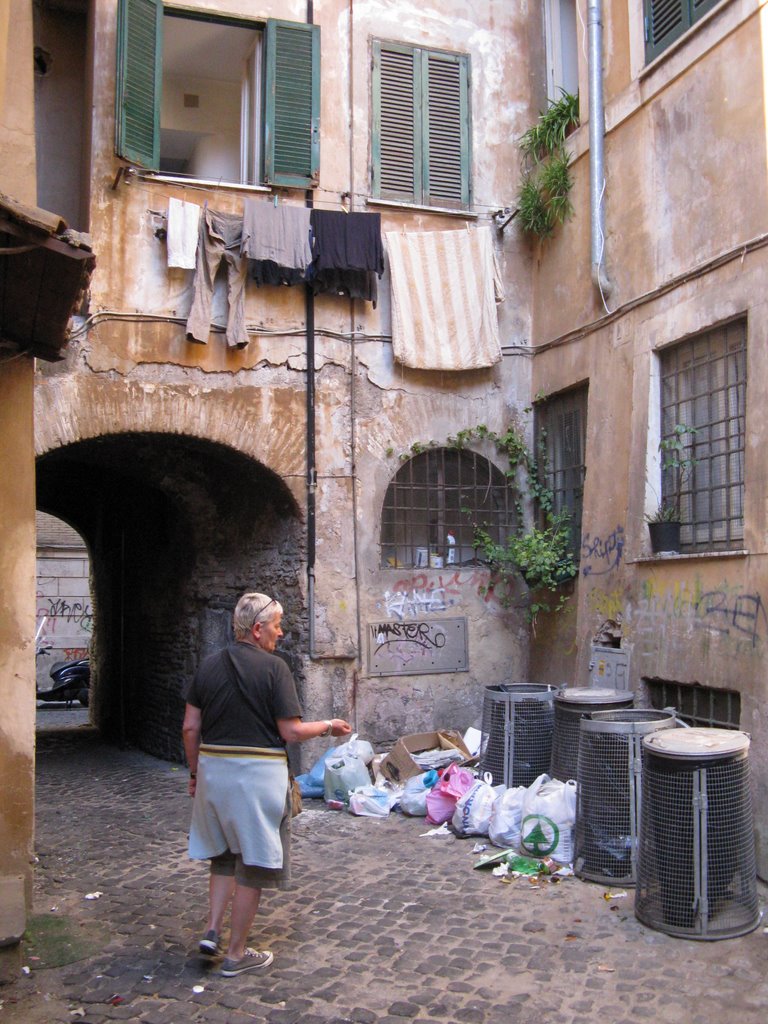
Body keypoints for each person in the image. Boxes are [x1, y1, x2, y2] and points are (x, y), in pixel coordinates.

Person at [182, 592, 352, 976]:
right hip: (257, 775)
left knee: (223, 855)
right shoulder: (275, 669)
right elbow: (290, 731)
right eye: (276, 625)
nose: (281, 631)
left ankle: (212, 930)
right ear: (257, 630)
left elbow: (190, 727)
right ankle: (237, 954)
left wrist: (195, 774)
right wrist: (329, 726)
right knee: (255, 863)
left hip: (213, 770)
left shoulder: (207, 666)